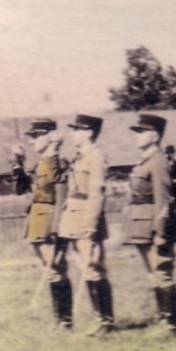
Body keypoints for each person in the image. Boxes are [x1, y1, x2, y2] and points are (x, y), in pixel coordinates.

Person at [124, 114, 176, 332]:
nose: (137, 136)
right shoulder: (145, 160)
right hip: (141, 224)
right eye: (137, 132)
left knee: (162, 271)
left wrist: (161, 231)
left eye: (142, 132)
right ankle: (163, 319)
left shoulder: (158, 162)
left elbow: (163, 199)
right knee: (153, 273)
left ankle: (170, 324)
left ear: (155, 136)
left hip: (153, 225)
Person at [58, 114, 112, 335]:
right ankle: (101, 319)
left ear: (89, 133)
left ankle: (105, 321)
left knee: (93, 268)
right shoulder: (80, 157)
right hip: (74, 217)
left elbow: (96, 194)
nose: (72, 134)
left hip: (87, 220)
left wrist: (90, 226)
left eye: (77, 130)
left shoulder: (95, 156)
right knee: (85, 267)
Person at [24, 119, 73, 328]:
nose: (32, 141)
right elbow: (23, 187)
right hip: (37, 218)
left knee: (56, 268)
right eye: (32, 137)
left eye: (36, 136)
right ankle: (59, 319)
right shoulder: (38, 163)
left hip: (49, 221)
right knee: (50, 269)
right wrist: (17, 162)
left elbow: (61, 195)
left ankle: (65, 321)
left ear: (50, 136)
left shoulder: (57, 162)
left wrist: (57, 228)